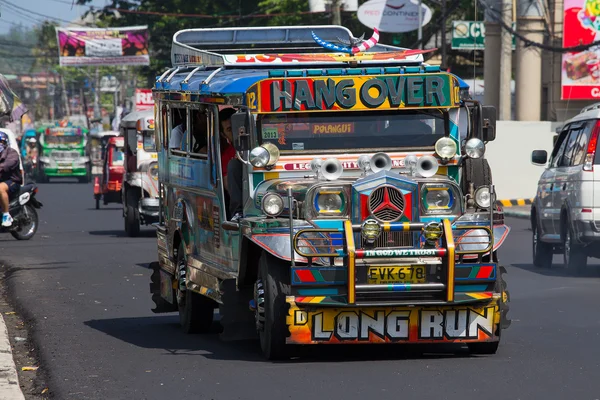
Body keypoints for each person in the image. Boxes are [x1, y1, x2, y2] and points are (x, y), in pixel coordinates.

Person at [0, 132, 22, 227]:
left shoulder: (12, 153)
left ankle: (6, 215)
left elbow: (7, 165)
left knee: (0, 188)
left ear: (5, 143)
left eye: (1, 141)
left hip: (12, 181)